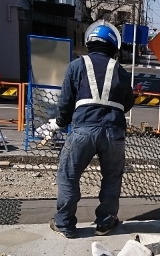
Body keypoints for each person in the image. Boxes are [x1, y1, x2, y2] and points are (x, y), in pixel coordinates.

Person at [48, 21, 135, 238]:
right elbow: (128, 102)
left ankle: (64, 224)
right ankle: (105, 223)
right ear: (114, 46)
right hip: (114, 133)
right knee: (112, 178)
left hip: (83, 130)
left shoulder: (76, 66)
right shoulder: (121, 71)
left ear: (89, 42)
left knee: (68, 176)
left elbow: (66, 102)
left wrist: (59, 122)